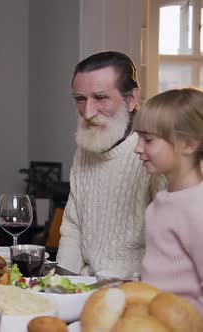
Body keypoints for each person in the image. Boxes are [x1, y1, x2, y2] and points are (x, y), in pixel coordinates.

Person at [57, 51, 161, 276]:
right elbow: (73, 225)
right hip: (84, 286)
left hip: (133, 288)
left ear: (131, 99)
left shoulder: (154, 155)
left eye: (101, 98)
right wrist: (61, 285)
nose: (87, 112)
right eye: (80, 99)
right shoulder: (85, 147)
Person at [135, 88, 203, 314]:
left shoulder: (197, 208)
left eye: (149, 140)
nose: (138, 148)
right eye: (138, 138)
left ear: (189, 144)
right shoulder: (161, 203)